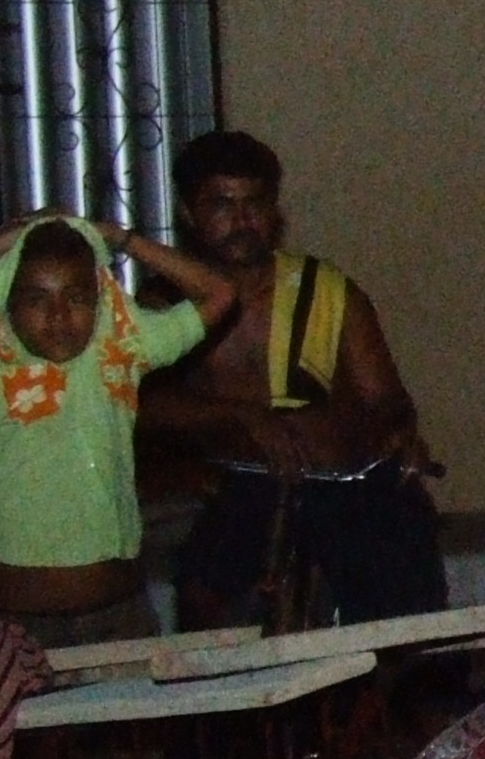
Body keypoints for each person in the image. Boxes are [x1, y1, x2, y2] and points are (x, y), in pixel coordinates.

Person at [0, 216, 235, 647]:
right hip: (20, 631)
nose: (58, 316)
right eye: (36, 298)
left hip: (120, 619)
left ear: (99, 301)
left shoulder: (122, 351)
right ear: (8, 302)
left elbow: (219, 292)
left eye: (76, 297)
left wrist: (121, 238)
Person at [137, 128, 447, 629]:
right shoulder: (164, 304)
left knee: (403, 570)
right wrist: (241, 418)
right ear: (190, 214)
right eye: (222, 205)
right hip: (224, 499)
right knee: (209, 595)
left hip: (338, 492)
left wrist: (387, 435)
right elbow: (139, 408)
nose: (242, 221)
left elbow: (387, 401)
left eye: (255, 203)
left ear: (274, 211)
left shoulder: (326, 290)